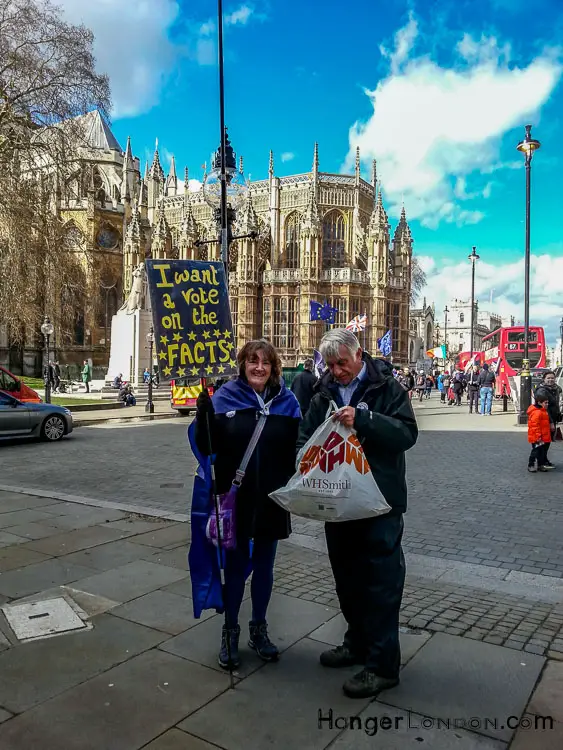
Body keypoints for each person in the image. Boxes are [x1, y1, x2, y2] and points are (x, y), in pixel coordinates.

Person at [297, 329, 418, 699]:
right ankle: (357, 643)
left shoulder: (387, 389)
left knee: (380, 585)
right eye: (331, 365)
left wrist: (364, 420)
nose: (337, 371)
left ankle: (382, 667)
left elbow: (407, 433)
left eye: (342, 363)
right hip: (338, 502)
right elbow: (305, 436)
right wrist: (303, 459)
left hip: (379, 503)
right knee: (347, 580)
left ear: (359, 355)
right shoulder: (323, 393)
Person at [192, 339, 301, 670]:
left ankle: (259, 629)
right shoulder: (226, 397)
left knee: (266, 567)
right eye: (252, 361)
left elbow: (298, 446)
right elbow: (207, 446)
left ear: (273, 368)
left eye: (265, 362)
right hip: (234, 497)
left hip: (271, 496)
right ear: (242, 365)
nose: (259, 367)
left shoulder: (287, 402)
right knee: (236, 566)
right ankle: (230, 632)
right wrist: (204, 417)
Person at [534, 371, 562, 468]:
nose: (550, 380)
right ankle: (540, 462)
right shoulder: (542, 391)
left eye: (552, 378)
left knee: (548, 440)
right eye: (548, 378)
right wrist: (550, 422)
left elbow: (557, 399)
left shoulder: (555, 389)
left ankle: (544, 460)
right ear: (544, 379)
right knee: (543, 441)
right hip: (544, 419)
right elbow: (544, 408)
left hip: (552, 418)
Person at [527, 392, 551, 473]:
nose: (547, 404)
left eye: (547, 402)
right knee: (536, 451)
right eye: (545, 403)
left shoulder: (542, 410)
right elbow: (535, 426)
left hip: (542, 436)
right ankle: (531, 465)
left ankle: (540, 465)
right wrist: (538, 437)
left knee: (541, 452)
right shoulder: (537, 412)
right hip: (537, 437)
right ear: (539, 402)